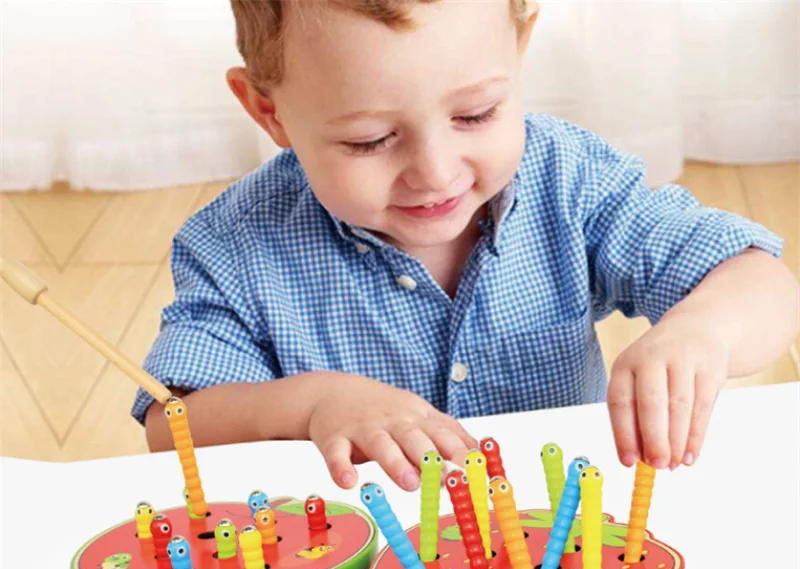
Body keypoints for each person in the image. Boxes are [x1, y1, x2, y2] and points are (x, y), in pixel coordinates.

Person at [135, 0, 798, 491]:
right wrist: (313, 405)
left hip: (555, 542)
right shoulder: (234, 242)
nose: (435, 172)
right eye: (369, 140)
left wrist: (704, 331)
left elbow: (760, 281)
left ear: (520, 48)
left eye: (475, 114)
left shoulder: (570, 180)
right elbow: (173, 425)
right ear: (268, 111)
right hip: (368, 561)